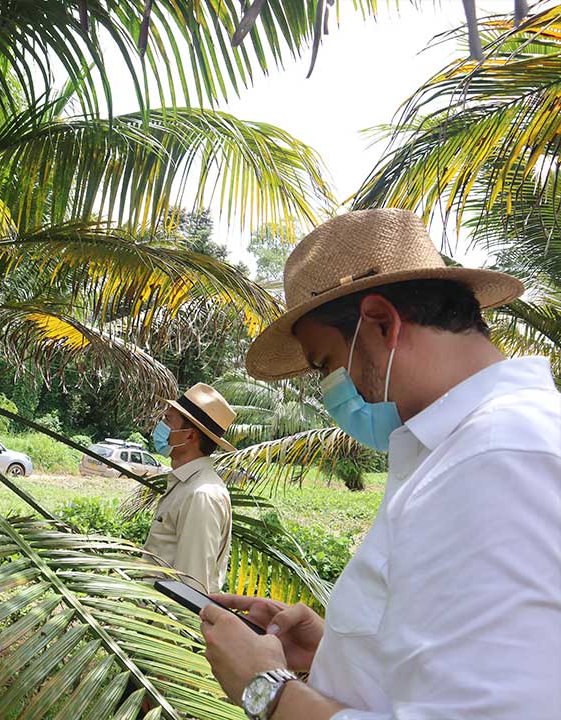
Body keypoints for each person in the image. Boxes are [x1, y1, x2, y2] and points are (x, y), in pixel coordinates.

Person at [197, 209, 561, 720]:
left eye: (326, 364)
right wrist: (338, 652)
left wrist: (267, 691)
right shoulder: (464, 451)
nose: (331, 391)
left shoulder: (497, 457)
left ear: (382, 323)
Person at [144, 382, 238, 594]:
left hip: (166, 614)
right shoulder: (187, 484)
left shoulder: (201, 495)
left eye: (168, 420)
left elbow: (192, 587)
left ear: (189, 436)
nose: (161, 426)